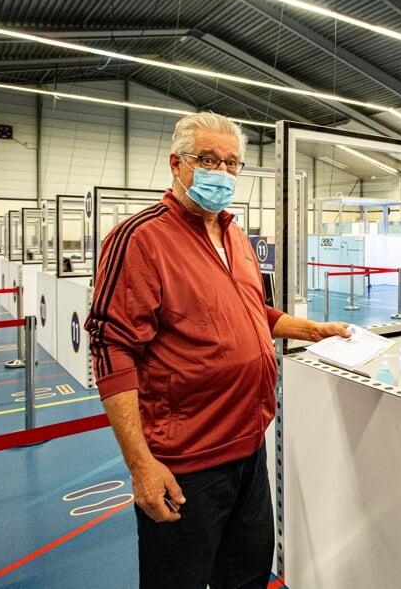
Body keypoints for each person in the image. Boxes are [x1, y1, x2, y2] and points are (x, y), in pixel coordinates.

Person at [84, 111, 351, 589]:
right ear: (176, 163)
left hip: (249, 450)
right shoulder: (140, 239)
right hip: (186, 465)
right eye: (208, 159)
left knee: (247, 576)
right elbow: (112, 348)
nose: (222, 172)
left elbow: (255, 314)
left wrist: (310, 331)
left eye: (232, 163)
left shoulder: (236, 237)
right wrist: (141, 465)